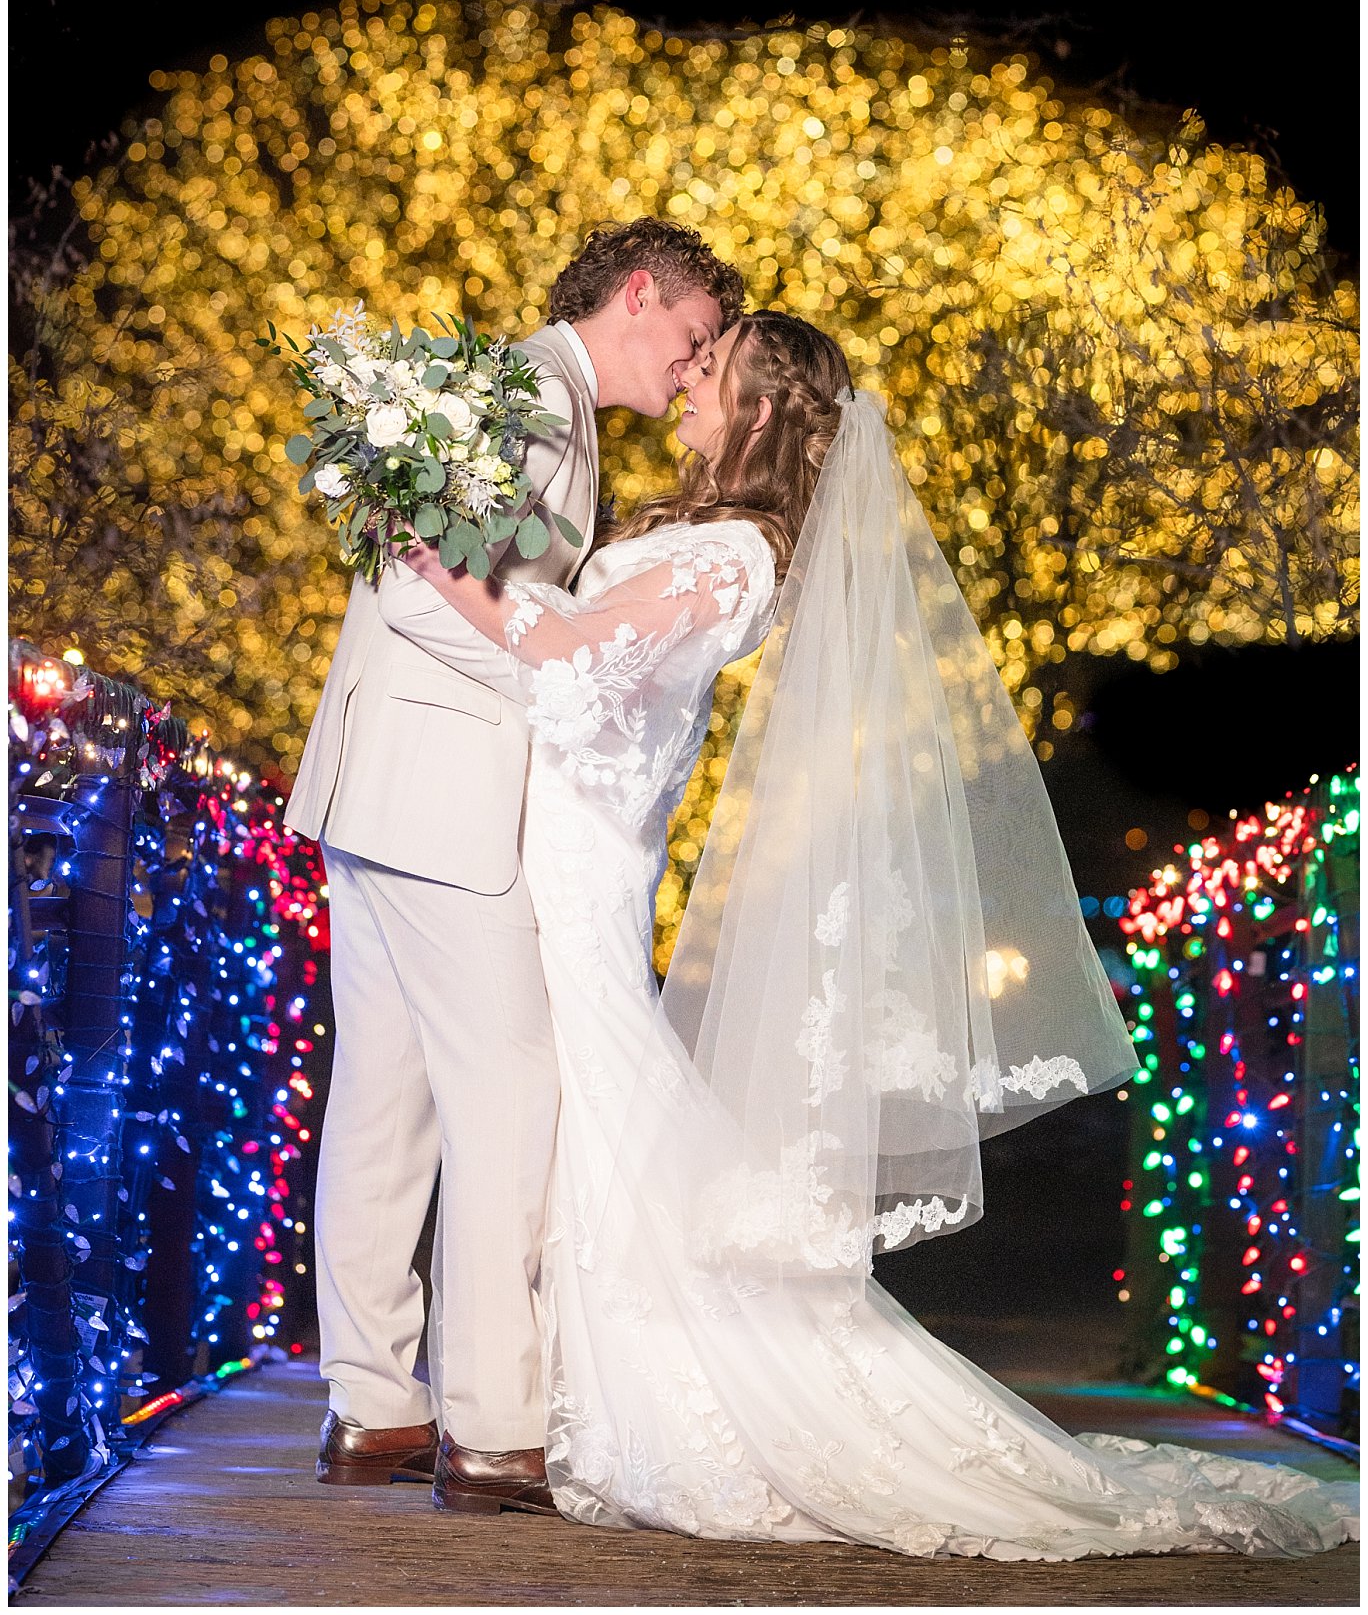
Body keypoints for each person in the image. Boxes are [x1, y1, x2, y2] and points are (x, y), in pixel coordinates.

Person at [387, 308, 1358, 1558]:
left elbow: (572, 651)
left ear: (758, 411)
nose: (683, 387)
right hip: (558, 847)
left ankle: (590, 1404)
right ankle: (529, 1393)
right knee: (575, 1116)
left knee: (598, 1105)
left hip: (583, 858)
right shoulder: (685, 528)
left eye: (709, 374)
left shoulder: (739, 550)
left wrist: (440, 563)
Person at [285, 219, 743, 1504]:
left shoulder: (514, 388)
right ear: (640, 292)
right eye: (695, 332)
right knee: (509, 1094)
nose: (695, 366)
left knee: (387, 1099)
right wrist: (562, 680)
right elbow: (423, 588)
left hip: (379, 787)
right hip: (444, 799)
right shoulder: (537, 394)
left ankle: (372, 1404)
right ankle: (491, 1423)